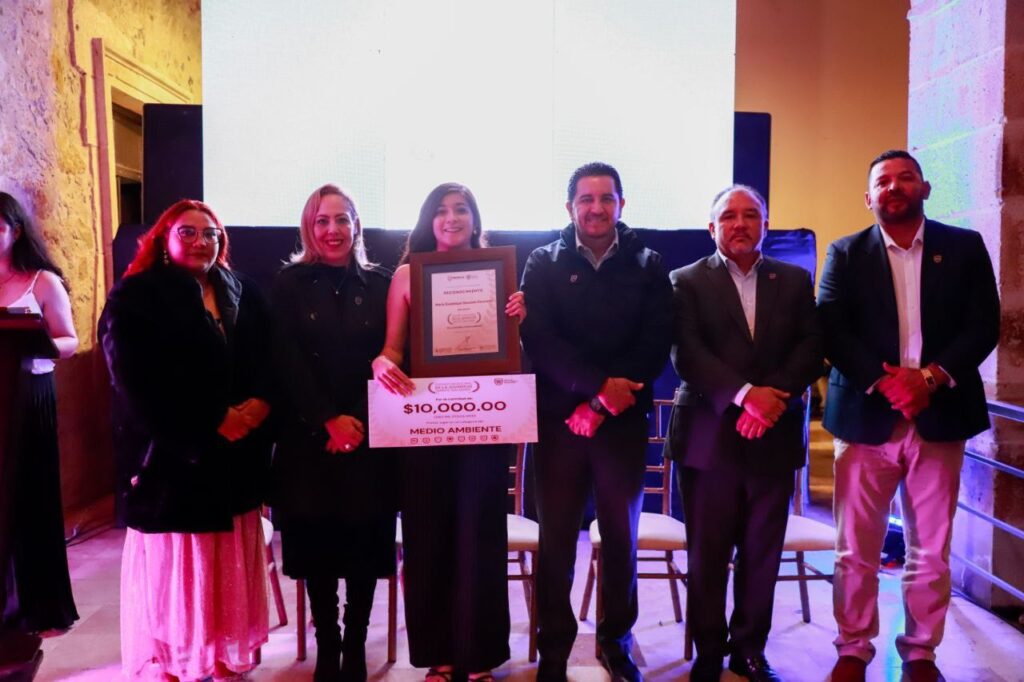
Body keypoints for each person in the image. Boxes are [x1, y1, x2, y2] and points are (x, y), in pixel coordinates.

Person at [818, 150, 1000, 682]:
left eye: (905, 178)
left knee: (931, 549)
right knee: (855, 549)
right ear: (868, 197)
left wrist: (929, 378)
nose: (893, 187)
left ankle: (920, 653)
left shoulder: (963, 247)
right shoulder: (845, 252)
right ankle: (853, 648)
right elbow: (831, 329)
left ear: (924, 188)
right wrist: (887, 382)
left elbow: (984, 324)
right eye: (882, 181)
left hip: (939, 417)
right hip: (865, 418)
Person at [98, 199, 273, 681]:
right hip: (173, 460)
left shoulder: (241, 290)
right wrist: (213, 419)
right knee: (179, 574)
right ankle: (176, 664)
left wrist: (260, 404)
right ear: (164, 238)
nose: (201, 242)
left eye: (210, 233)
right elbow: (135, 380)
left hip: (235, 458)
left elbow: (267, 357)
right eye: (188, 232)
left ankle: (220, 658)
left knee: (223, 571)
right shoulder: (137, 295)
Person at [519, 162, 672, 682]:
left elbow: (654, 343)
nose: (597, 208)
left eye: (607, 198)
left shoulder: (649, 263)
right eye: (586, 199)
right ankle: (554, 652)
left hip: (621, 425)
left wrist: (603, 404)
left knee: (621, 541)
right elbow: (540, 341)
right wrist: (594, 391)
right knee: (556, 542)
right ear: (570, 208)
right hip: (560, 423)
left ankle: (615, 643)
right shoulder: (542, 262)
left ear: (622, 204)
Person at [665, 185, 822, 682]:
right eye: (728, 216)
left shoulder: (793, 280)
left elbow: (810, 347)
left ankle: (749, 651)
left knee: (761, 554)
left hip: (773, 436)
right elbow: (687, 354)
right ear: (711, 227)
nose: (740, 223)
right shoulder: (685, 280)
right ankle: (709, 652)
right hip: (708, 438)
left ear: (765, 225)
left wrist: (772, 399)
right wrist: (746, 396)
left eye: (750, 215)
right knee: (707, 555)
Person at [372, 182, 526, 682]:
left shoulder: (500, 273)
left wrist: (519, 321)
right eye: (441, 210)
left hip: (483, 426)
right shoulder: (406, 275)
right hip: (425, 428)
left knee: (481, 537)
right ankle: (439, 653)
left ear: (475, 219)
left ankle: (479, 654)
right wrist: (381, 363)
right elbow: (393, 350)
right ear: (428, 220)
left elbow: (514, 357)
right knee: (429, 537)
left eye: (461, 209)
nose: (452, 218)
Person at [270, 184, 396, 682]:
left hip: (369, 436)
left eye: (342, 219)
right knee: (317, 547)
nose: (333, 230)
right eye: (322, 221)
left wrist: (356, 421)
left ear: (357, 225)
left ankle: (355, 644)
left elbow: (394, 355)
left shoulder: (382, 283)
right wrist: (327, 419)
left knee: (364, 545)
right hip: (309, 439)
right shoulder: (289, 284)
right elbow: (286, 360)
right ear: (309, 227)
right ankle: (327, 644)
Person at [0, 191, 79, 634]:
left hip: (28, 394)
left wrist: (37, 342)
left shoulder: (42, 281)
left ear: (15, 232)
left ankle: (39, 607)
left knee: (29, 495)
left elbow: (69, 340)